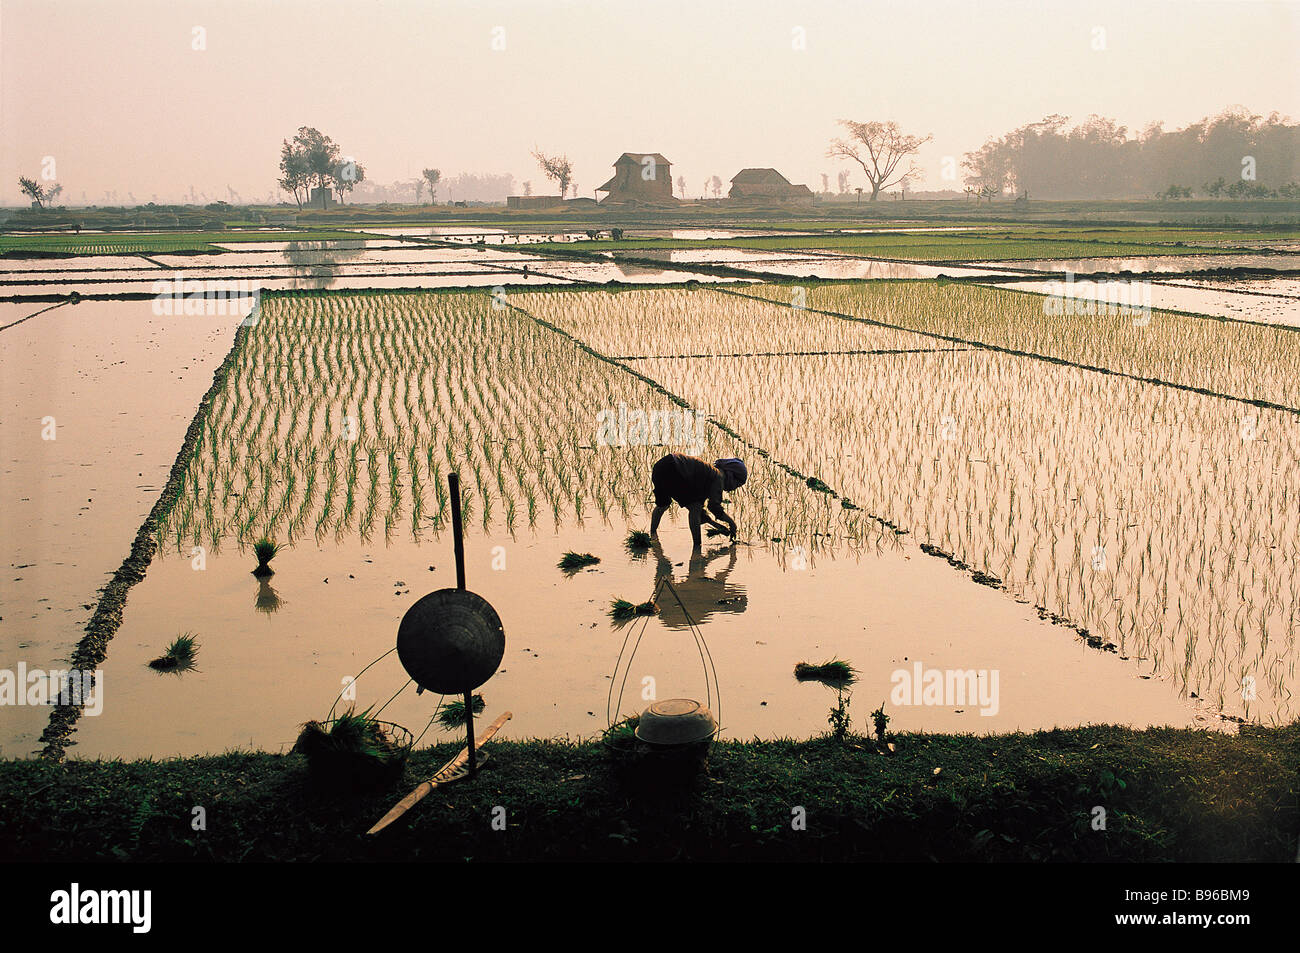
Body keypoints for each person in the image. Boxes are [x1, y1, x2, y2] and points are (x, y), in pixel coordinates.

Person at [648, 453, 746, 549]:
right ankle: (697, 547)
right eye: (736, 484)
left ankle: (652, 535)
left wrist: (716, 525)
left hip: (660, 466)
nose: (734, 488)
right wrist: (732, 523)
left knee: (663, 504)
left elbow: (701, 513)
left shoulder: (708, 474)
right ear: (731, 475)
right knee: (694, 508)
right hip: (674, 468)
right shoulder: (718, 477)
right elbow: (713, 507)